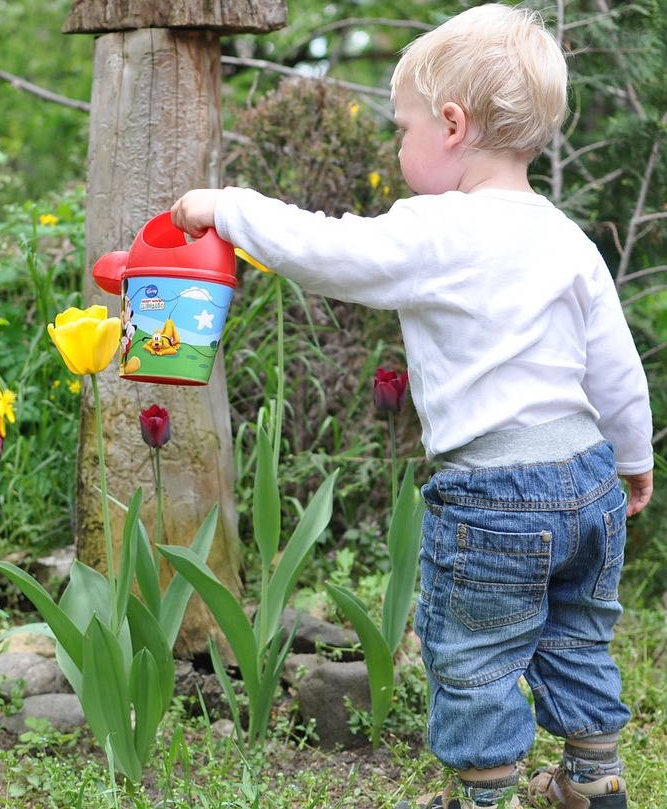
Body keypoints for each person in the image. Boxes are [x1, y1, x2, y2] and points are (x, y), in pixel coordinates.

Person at [171, 3, 653, 807]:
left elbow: (326, 251)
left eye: (404, 128)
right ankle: (592, 776)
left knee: (475, 651)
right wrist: (634, 458)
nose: (399, 148)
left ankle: (484, 795)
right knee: (577, 635)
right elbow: (617, 368)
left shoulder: (438, 229)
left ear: (453, 126)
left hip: (495, 495)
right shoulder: (567, 238)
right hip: (587, 477)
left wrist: (226, 208)